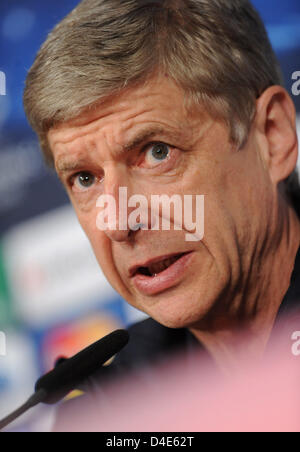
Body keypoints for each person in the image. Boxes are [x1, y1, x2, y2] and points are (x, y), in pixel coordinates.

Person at [23, 0, 300, 380]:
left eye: (157, 153)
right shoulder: (114, 408)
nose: (119, 223)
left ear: (272, 137)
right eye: (85, 179)